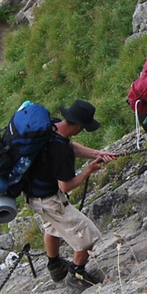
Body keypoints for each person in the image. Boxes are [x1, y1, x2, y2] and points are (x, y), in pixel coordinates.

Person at [26, 99, 116, 284]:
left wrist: (96, 153)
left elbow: (70, 145)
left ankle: (55, 266)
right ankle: (77, 274)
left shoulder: (51, 126)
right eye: (83, 127)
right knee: (88, 236)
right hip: (49, 201)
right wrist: (88, 170)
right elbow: (65, 186)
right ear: (78, 125)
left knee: (51, 227)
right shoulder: (60, 151)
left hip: (34, 194)